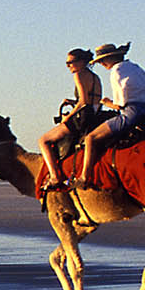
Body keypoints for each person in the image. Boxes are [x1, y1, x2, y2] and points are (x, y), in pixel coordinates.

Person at [78, 42, 145, 182]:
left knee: (90, 139)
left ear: (108, 59)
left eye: (101, 61)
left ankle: (84, 177)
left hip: (132, 116)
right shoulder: (136, 68)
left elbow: (120, 105)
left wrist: (106, 103)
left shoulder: (116, 71)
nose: (101, 64)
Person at [38, 49, 106, 189]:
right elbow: (93, 101)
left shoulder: (79, 75)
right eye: (66, 63)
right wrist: (71, 102)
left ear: (81, 62)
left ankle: (55, 177)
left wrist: (67, 117)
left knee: (43, 140)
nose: (68, 66)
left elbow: (83, 101)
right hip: (95, 114)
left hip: (83, 117)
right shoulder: (95, 77)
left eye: (71, 62)